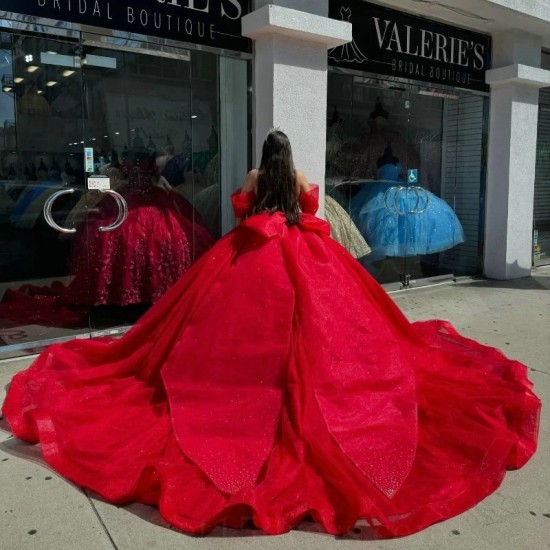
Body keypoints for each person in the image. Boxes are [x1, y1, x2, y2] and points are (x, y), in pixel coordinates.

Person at [2, 130, 540, 538]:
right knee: (326, 332)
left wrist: (256, 205)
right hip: (308, 254)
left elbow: (241, 210)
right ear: (291, 158)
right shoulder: (301, 181)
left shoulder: (257, 182)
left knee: (227, 337)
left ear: (265, 158)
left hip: (252, 257)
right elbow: (309, 209)